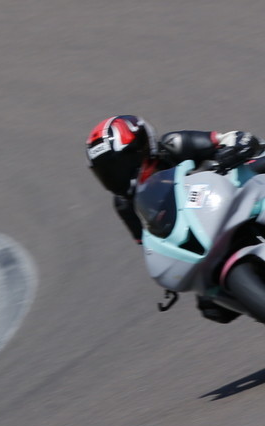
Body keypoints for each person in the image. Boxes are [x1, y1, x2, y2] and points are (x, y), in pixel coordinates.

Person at [86, 115, 262, 322]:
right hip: (204, 229)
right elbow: (151, 242)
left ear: (142, 148)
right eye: (107, 173)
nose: (118, 177)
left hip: (235, 188)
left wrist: (234, 148)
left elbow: (231, 139)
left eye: (120, 166)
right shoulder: (125, 204)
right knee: (213, 306)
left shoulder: (174, 145)